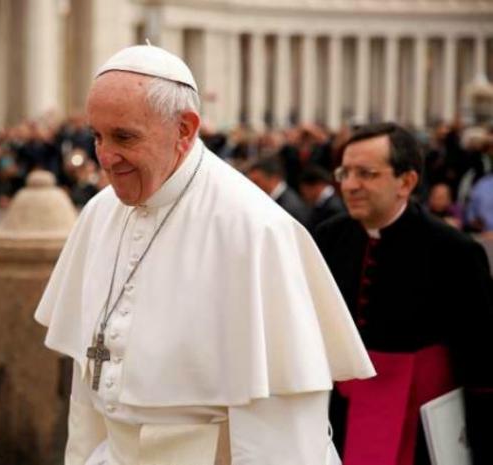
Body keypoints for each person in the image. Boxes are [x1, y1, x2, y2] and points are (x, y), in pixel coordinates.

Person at [35, 44, 374, 465]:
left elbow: (281, 428)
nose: (105, 157)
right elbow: (88, 388)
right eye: (97, 136)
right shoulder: (98, 214)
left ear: (184, 129)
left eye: (124, 136)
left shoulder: (256, 230)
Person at [315, 123, 493, 465]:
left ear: (406, 182)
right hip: (342, 412)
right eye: (345, 172)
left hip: (422, 416)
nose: (350, 185)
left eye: (366, 174)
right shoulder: (328, 237)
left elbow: (481, 357)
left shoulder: (454, 250)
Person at [245, 155, 311, 227]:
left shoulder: (288, 207)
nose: (252, 186)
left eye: (256, 182)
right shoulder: (277, 200)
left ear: (274, 179)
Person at [298, 164, 345, 233]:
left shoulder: (333, 208)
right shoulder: (323, 204)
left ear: (317, 186)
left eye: (305, 190)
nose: (304, 195)